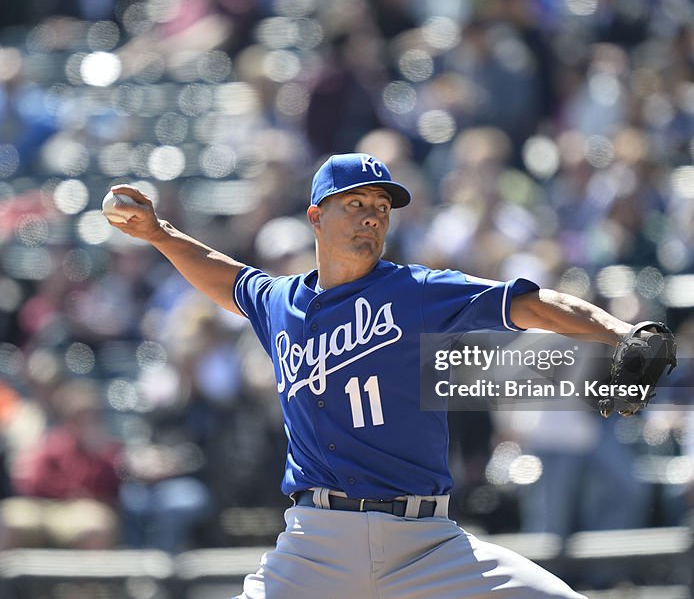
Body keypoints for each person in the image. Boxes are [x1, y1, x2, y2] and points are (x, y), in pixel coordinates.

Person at [106, 153, 650, 598]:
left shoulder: (415, 290)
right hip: (315, 545)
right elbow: (224, 275)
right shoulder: (278, 303)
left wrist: (621, 333)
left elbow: (531, 305)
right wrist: (159, 233)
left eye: (382, 207)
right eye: (357, 203)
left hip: (429, 546)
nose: (373, 214)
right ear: (316, 216)